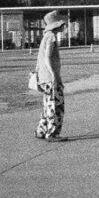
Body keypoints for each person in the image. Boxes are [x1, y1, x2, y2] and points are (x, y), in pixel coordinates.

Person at [35, 10, 67, 140]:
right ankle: (52, 133)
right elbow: (47, 58)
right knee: (56, 106)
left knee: (47, 105)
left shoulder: (45, 36)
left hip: (43, 77)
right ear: (56, 25)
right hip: (50, 78)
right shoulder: (51, 37)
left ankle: (41, 130)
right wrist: (54, 75)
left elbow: (41, 59)